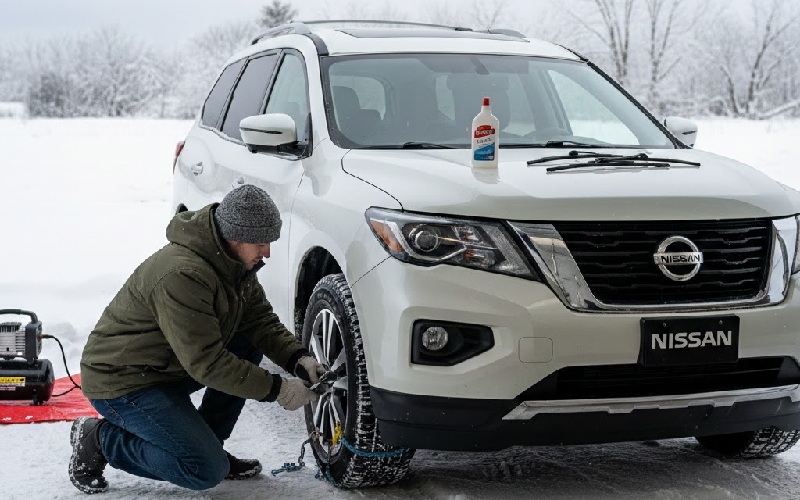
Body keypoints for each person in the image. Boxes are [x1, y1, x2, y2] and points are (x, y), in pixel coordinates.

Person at [69, 185, 325, 494]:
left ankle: (208, 445)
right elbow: (208, 363)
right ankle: (100, 439)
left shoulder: (233, 263)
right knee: (203, 470)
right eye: (261, 243)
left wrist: (298, 358)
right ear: (236, 236)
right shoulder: (183, 274)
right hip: (124, 381)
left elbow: (258, 321)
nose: (267, 252)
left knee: (246, 341)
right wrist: (279, 390)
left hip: (167, 366)